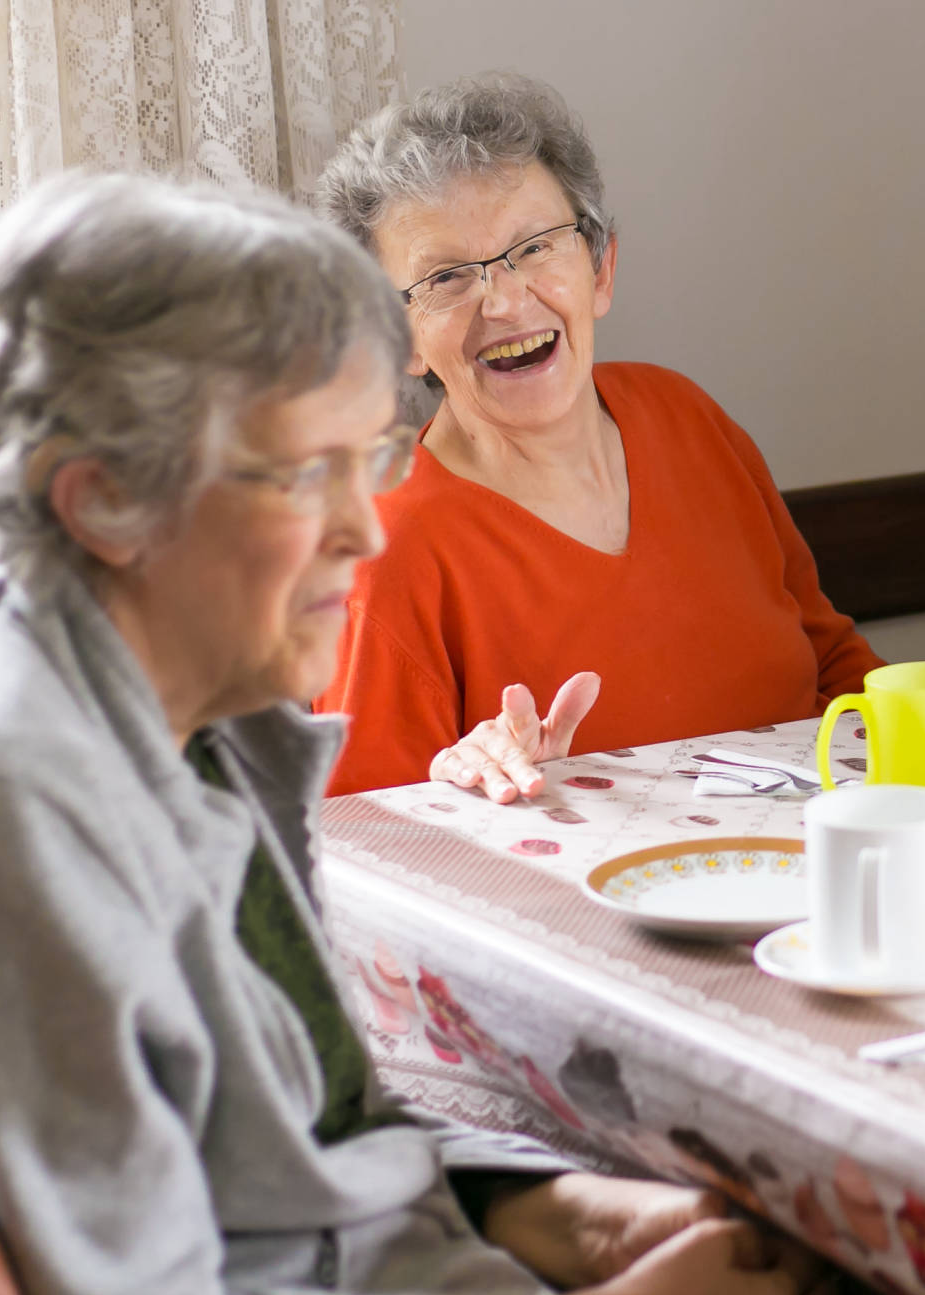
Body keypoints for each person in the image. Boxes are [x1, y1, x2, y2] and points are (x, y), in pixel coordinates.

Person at [0, 171, 828, 1295]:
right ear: (102, 505)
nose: (359, 529)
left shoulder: (198, 700)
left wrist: (550, 1210)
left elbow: (293, 1122)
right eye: (306, 477)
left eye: (370, 458)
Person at [313, 73, 885, 801]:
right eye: (448, 277)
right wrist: (472, 787)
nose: (506, 300)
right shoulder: (384, 555)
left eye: (535, 247)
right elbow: (364, 851)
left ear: (601, 268)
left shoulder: (688, 418)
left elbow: (839, 673)